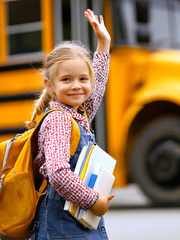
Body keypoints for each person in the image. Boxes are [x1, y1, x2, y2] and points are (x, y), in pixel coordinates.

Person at [30, 9, 113, 240]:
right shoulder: (58, 119)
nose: (76, 85)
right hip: (63, 227)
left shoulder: (79, 114)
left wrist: (104, 44)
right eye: (66, 79)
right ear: (50, 85)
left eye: (83, 79)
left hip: (75, 222)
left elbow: (99, 84)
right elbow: (57, 173)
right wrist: (93, 201)